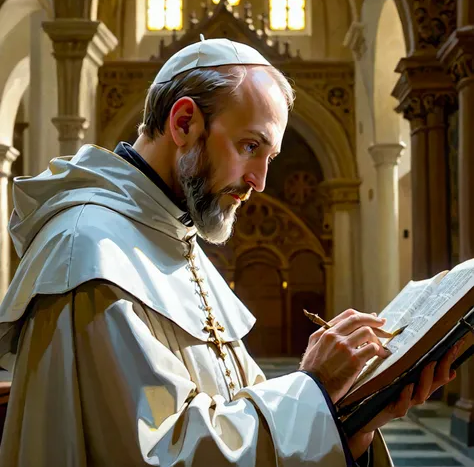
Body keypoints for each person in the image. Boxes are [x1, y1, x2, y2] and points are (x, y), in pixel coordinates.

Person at [0, 37, 459, 467]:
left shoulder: (171, 236)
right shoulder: (89, 249)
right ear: (183, 123)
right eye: (249, 146)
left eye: (268, 157)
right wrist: (313, 388)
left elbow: (229, 411)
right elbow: (158, 453)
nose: (259, 180)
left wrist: (352, 420)